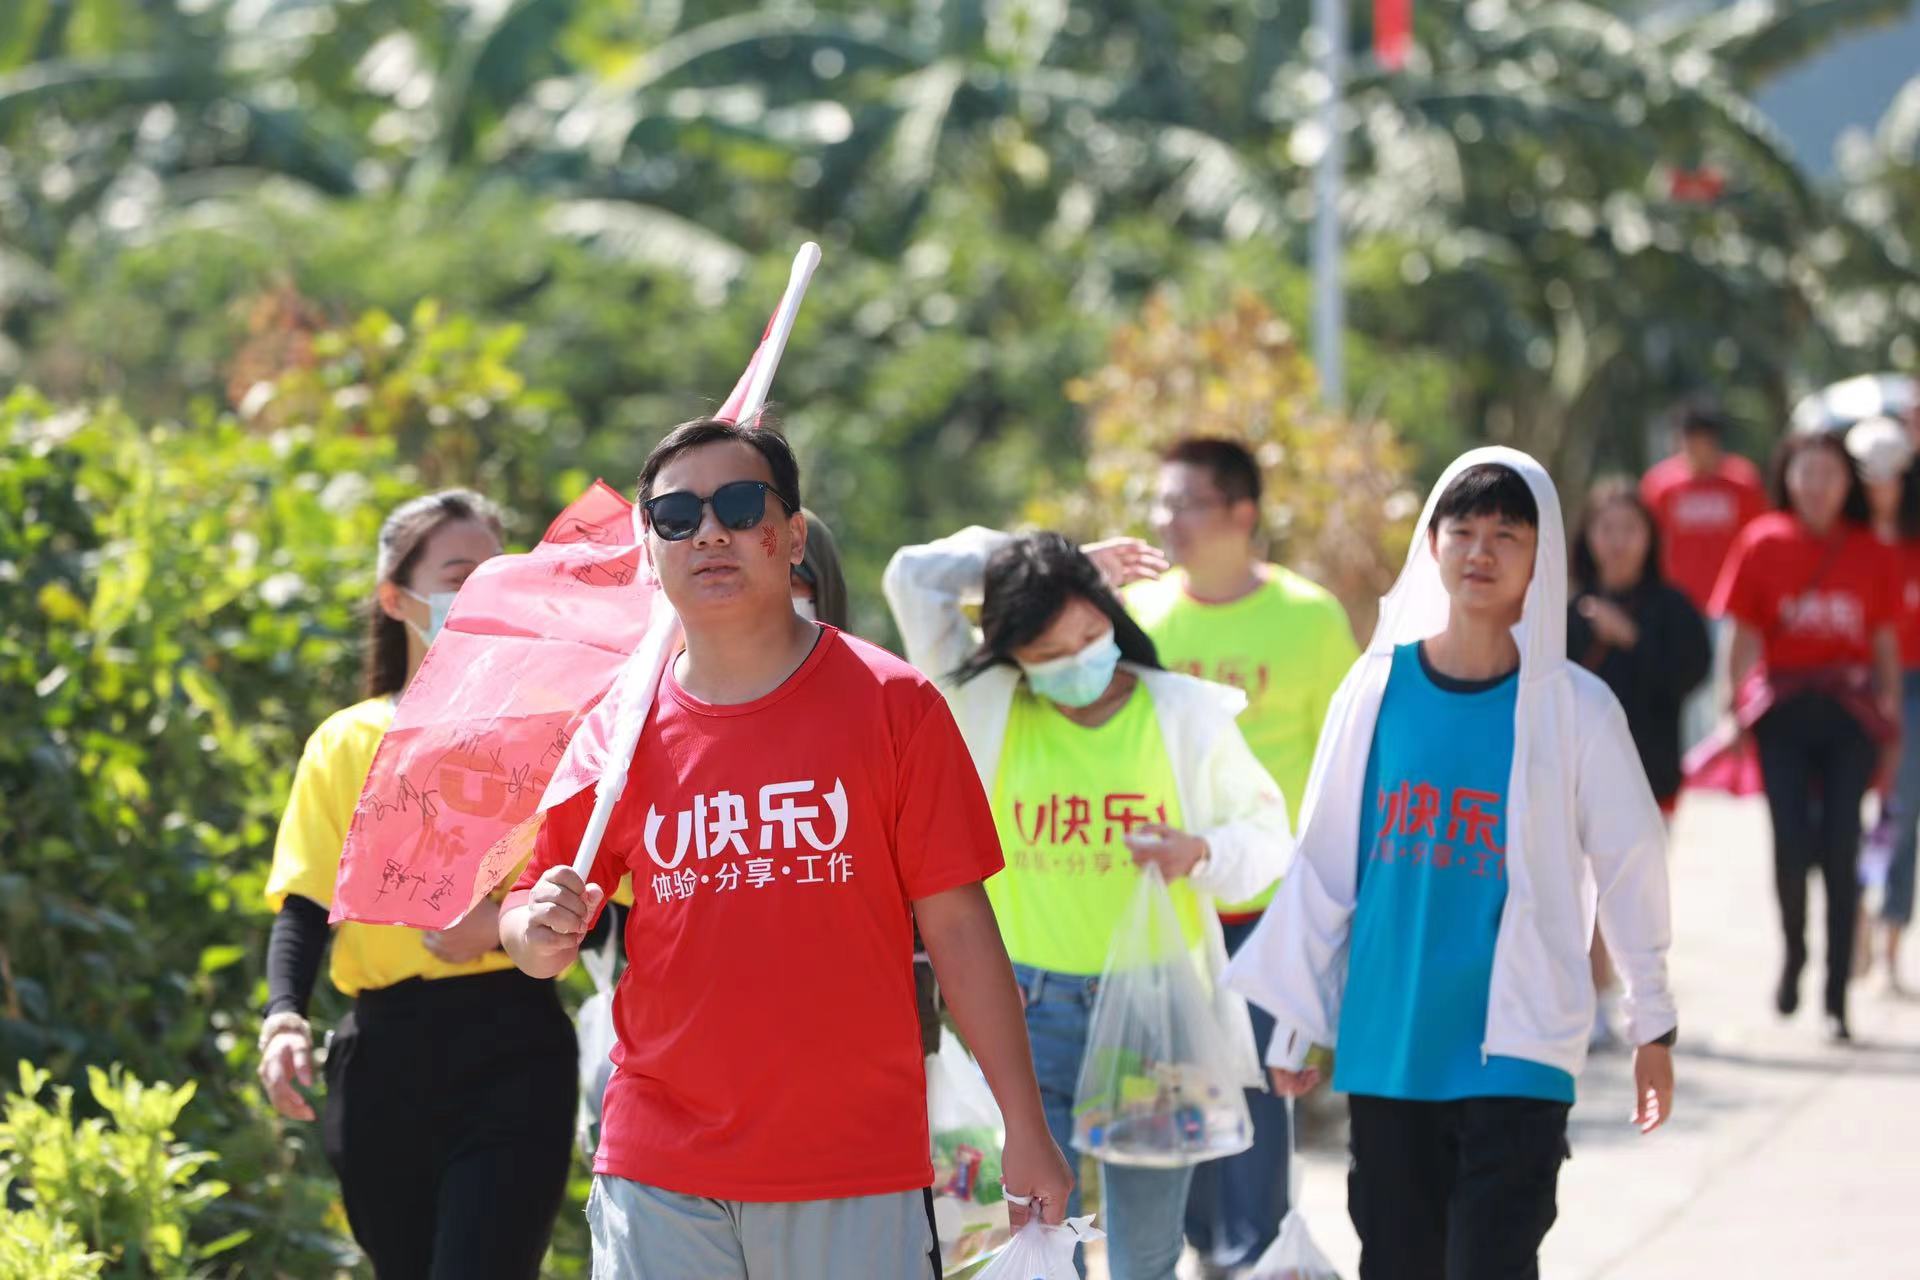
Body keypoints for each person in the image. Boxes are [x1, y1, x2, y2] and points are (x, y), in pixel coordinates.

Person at [499, 419, 1073, 1280]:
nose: (709, 532)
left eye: (738, 505)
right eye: (676, 517)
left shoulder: (895, 704)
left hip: (850, 1164)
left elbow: (959, 928)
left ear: (794, 535)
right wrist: (535, 931)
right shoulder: (615, 731)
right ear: (650, 550)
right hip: (657, 1165)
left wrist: (1023, 1125)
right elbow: (531, 919)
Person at [1227, 449, 1678, 1280]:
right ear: (1431, 544)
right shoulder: (1374, 691)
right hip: (1391, 1042)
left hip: (1521, 1045)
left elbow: (1631, 862)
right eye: (1463, 530)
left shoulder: (1576, 709)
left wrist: (1652, 1018)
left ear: (1542, 558)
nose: (1481, 551)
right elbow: (1325, 863)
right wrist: (1297, 1014)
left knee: (1489, 1264)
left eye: (1508, 534)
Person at [884, 526, 1291, 1280]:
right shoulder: (981, 703)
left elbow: (1268, 838)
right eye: (1048, 653)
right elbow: (914, 576)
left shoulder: (1183, 712)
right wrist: (1044, 557)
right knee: (1038, 1244)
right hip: (1025, 1015)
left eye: (1089, 634)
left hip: (1156, 1021)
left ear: (1112, 614)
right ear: (1014, 657)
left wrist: (1200, 852)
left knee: (1147, 1255)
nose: (1077, 661)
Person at [257, 489, 581, 1279]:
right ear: (395, 598)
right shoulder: (346, 742)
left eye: (498, 576)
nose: (483, 594)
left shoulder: (556, 732)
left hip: (514, 1046)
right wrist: (284, 1015)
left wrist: (494, 926)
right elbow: (305, 900)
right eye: (459, 576)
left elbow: (602, 900)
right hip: (382, 1061)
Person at [1118, 437, 1355, 1274]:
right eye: (1161, 502)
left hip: (1269, 917)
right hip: (1166, 921)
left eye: (1186, 502)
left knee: (1256, 1118)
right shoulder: (1139, 617)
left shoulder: (1309, 618)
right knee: (1171, 1117)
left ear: (1242, 512)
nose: (1166, 519)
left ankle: (1249, 1260)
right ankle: (1199, 1252)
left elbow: (1346, 765)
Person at [1711, 428, 1902, 1040]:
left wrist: (1892, 716)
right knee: (1791, 845)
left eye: (1830, 474)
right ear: (1788, 477)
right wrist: (1729, 708)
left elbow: (1884, 641)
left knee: (1843, 850)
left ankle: (1836, 994)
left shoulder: (1870, 551)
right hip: (1785, 714)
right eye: (1806, 472)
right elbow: (1741, 633)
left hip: (1849, 716)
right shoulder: (1761, 542)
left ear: (1848, 483)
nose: (1817, 486)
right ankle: (1794, 951)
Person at [1567, 477, 1710, 1046]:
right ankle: (1595, 1000)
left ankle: (1636, 1000)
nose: (1618, 541)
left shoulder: (1672, 608)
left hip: (1651, 775)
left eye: (1630, 529)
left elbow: (1690, 675)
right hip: (1574, 778)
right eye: (1607, 529)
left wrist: (1631, 638)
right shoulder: (1566, 608)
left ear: (1650, 537)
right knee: (1584, 890)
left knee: (1629, 891)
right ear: (1587, 537)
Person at [794, 507, 942, 1054]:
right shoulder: (666, 719)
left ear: (824, 588)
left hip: (869, 1019)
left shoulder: (886, 702)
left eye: (792, 582)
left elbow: (938, 892)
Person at [1841, 419, 1920, 994]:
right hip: (1851, 684)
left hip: (1912, 688)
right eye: (1870, 477)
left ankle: (1890, 937)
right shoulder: (1844, 543)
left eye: (1891, 476)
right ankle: (1854, 922)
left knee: (1901, 809)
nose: (1881, 487)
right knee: (1844, 813)